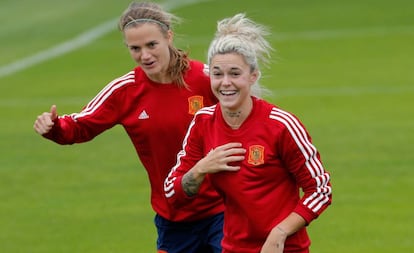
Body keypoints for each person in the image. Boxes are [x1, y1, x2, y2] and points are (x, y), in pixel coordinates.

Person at [33, 2, 225, 253]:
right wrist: (54, 127)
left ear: (168, 36)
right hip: (173, 216)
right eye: (135, 48)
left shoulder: (207, 79)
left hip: (224, 209)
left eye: (151, 45)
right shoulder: (125, 91)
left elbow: (252, 115)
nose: (144, 55)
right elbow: (82, 125)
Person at [164, 13, 332, 253]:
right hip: (234, 248)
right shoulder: (203, 123)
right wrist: (201, 167)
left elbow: (320, 189)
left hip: (285, 249)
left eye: (235, 73)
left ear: (253, 76)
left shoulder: (281, 125)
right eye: (218, 74)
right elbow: (173, 191)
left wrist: (280, 232)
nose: (225, 83)